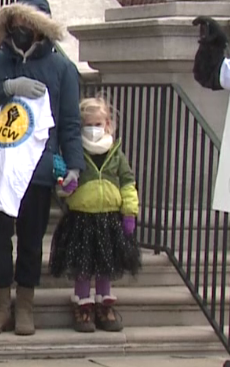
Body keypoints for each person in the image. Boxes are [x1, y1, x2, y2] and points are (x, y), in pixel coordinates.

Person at [0, 0, 83, 336]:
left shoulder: (62, 69)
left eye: (28, 27)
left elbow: (71, 123)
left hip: (39, 170)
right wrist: (6, 88)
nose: (21, 32)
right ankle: (1, 304)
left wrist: (73, 165)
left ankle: (26, 305)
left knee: (31, 241)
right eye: (16, 26)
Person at [50, 97, 141, 333]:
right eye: (88, 124)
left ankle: (104, 302)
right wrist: (66, 188)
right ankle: (82, 304)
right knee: (83, 264)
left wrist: (129, 211)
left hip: (109, 217)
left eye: (98, 123)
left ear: (107, 124)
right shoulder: (75, 153)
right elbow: (64, 183)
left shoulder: (116, 154)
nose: (94, 129)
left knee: (105, 264)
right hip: (82, 217)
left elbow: (128, 183)